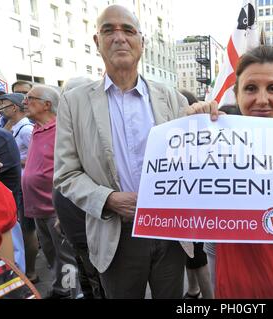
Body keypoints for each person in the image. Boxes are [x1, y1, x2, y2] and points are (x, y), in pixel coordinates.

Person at [53, 5, 192, 299]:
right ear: (97, 41)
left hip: (170, 233)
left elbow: (195, 157)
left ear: (141, 42)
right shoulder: (74, 102)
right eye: (109, 30)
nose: (119, 37)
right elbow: (66, 174)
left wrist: (211, 119)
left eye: (128, 30)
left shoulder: (171, 97)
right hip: (116, 235)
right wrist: (109, 199)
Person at [187, 45, 273, 299]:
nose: (262, 99)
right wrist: (193, 128)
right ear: (237, 94)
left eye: (272, 88)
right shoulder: (216, 148)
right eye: (250, 88)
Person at [22, 85, 79, 299]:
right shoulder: (36, 128)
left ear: (47, 104)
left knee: (66, 257)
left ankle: (72, 293)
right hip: (38, 207)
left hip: (56, 208)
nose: (25, 102)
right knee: (51, 253)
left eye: (30, 98)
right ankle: (60, 288)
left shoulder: (61, 129)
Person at [51, 76, 105, 299]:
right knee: (82, 274)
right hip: (70, 219)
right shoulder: (67, 127)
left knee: (99, 279)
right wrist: (59, 216)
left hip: (91, 223)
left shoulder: (97, 129)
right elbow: (63, 174)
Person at [0, 93, 37, 282]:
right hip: (16, 187)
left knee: (25, 230)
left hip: (20, 186)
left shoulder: (26, 130)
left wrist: (17, 162)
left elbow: (36, 157)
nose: (0, 108)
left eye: (3, 104)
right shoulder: (7, 128)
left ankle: (30, 273)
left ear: (14, 107)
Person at [179, 90, 214, 299]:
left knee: (197, 255)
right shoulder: (175, 135)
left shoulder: (203, 135)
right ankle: (193, 291)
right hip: (181, 208)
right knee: (188, 255)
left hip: (197, 209)